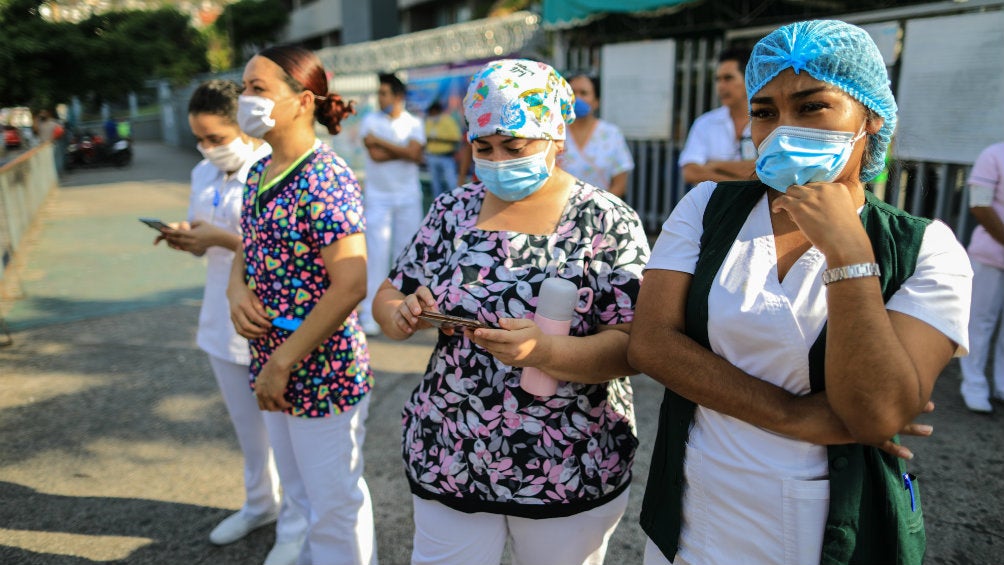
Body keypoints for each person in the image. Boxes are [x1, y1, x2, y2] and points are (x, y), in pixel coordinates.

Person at [629, 20, 972, 565]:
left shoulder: (925, 248)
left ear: (871, 117)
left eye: (812, 107)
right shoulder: (708, 208)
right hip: (697, 513)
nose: (783, 128)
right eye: (764, 112)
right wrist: (792, 415)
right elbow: (650, 343)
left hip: (833, 531)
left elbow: (876, 413)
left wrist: (849, 256)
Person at [371, 59, 650, 565]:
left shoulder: (605, 219)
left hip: (564, 459)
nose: (497, 159)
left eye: (514, 146)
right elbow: (391, 294)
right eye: (483, 147)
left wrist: (548, 351)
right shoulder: (452, 209)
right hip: (452, 445)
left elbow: (633, 345)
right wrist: (399, 314)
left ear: (555, 134)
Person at [227, 44, 376, 565]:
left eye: (258, 89)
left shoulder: (325, 178)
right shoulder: (258, 172)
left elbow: (351, 283)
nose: (245, 99)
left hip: (317, 363)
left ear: (302, 100)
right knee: (299, 487)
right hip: (272, 359)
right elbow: (249, 241)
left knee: (335, 502)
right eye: (244, 88)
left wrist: (283, 363)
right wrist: (235, 286)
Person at [155, 79, 307, 565]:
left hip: (266, 319)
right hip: (220, 317)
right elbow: (208, 229)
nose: (208, 148)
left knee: (287, 437)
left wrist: (218, 239)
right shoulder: (202, 173)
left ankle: (296, 525)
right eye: (200, 139)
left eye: (217, 137)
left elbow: (275, 248)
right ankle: (259, 504)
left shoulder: (271, 175)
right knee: (248, 431)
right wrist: (185, 235)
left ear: (241, 126)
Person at [357, 72, 426, 336]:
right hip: (379, 197)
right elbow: (375, 155)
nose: (379, 98)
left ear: (398, 97)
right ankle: (370, 313)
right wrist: (402, 151)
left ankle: (408, 314)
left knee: (406, 254)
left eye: (384, 93)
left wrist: (386, 144)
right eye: (379, 93)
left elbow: (414, 154)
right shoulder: (369, 121)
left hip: (407, 196)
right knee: (376, 254)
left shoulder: (413, 123)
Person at [959, 140, 1004, 413]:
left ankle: (1001, 384)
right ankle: (974, 384)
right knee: (980, 323)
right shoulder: (994, 154)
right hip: (990, 256)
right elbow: (980, 205)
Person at [677, 47, 756, 185]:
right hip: (712, 205)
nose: (721, 86)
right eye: (718, 80)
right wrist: (742, 184)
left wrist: (716, 165)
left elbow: (768, 171)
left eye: (728, 78)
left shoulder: (769, 121)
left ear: (749, 79)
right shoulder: (705, 123)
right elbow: (690, 172)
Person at [558, 73, 634, 198]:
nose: (577, 98)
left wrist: (597, 209)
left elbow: (620, 184)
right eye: (572, 93)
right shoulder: (556, 132)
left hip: (599, 212)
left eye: (584, 93)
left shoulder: (611, 134)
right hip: (557, 210)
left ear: (596, 101)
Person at [423, 100, 463, 198]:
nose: (431, 114)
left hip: (446, 156)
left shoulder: (448, 121)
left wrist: (439, 139)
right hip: (432, 156)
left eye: (433, 112)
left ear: (437, 111)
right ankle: (438, 204)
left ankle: (455, 202)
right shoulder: (429, 121)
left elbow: (456, 138)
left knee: (451, 182)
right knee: (435, 184)